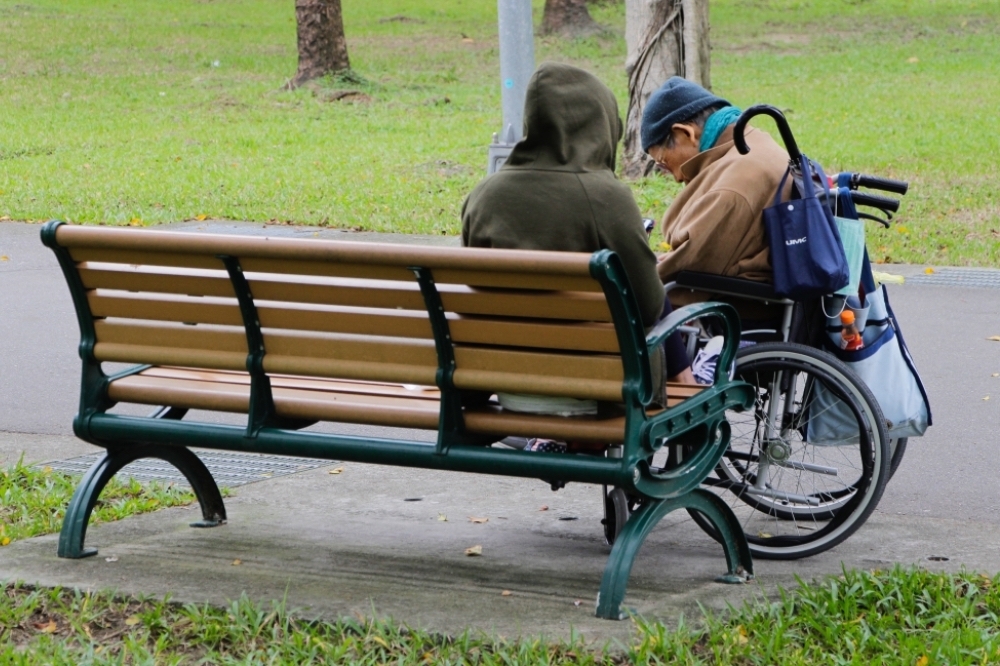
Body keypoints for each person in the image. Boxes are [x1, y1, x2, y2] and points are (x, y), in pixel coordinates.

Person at [462, 62, 696, 403]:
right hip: (596, 384)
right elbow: (646, 307)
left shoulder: (484, 194)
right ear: (600, 124)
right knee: (653, 292)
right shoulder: (606, 197)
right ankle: (689, 390)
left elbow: (475, 285)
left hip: (502, 374)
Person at [641, 77, 791, 299]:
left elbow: (690, 268)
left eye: (664, 163)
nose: (675, 178)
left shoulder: (733, 184)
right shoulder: (752, 144)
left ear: (686, 133)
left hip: (739, 312)